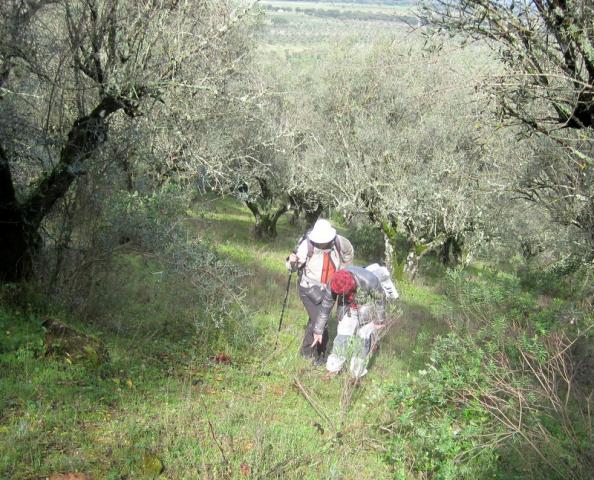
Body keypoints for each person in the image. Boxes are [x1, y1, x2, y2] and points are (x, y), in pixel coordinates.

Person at [312, 264, 399, 378]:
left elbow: (380, 300)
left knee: (362, 340)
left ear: (353, 285)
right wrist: (318, 330)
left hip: (368, 308)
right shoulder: (334, 281)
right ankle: (333, 369)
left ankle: (356, 374)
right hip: (347, 308)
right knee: (342, 337)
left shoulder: (369, 280)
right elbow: (326, 305)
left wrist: (379, 320)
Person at [286, 218, 354, 364]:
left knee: (315, 320)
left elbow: (349, 253)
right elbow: (293, 267)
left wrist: (343, 270)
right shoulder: (307, 245)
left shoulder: (339, 241)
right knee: (321, 321)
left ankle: (306, 353)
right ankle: (320, 356)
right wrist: (291, 262)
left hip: (330, 289)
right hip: (308, 288)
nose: (322, 242)